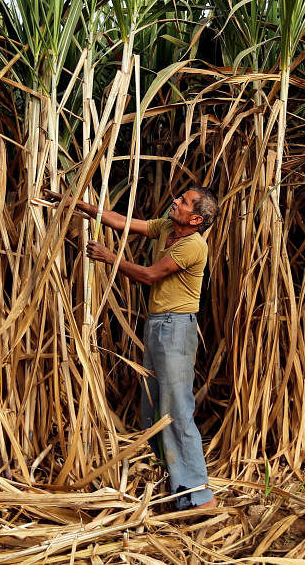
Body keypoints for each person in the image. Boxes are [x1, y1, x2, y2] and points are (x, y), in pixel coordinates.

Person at [45, 184, 219, 511]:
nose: (175, 201)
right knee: (153, 408)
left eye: (183, 202)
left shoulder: (193, 246)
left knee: (177, 410)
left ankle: (199, 495)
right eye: (178, 196)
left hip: (177, 329)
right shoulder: (167, 227)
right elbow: (124, 222)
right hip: (159, 325)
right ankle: (175, 486)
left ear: (196, 219)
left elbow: (151, 275)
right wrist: (78, 203)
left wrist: (109, 258)